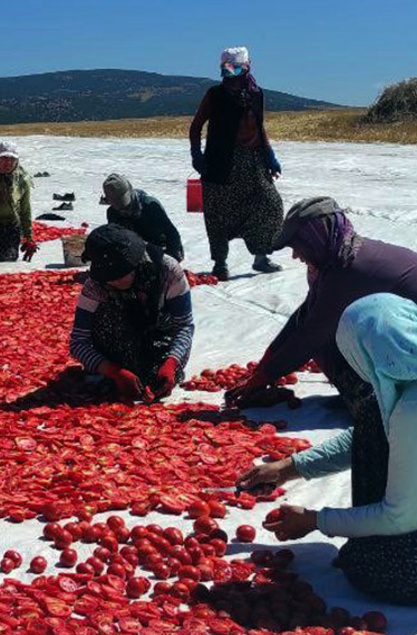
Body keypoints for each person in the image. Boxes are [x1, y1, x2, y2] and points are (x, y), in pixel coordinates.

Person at [240, 294, 417, 610]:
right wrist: (290, 467)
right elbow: (377, 436)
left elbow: (401, 517)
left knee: (371, 567)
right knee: (374, 415)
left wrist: (317, 520)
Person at [227, 197, 417, 507]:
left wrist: (264, 377)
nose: (296, 255)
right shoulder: (339, 257)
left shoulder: (352, 268)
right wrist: (265, 366)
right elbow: (304, 317)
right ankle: (372, 400)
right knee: (334, 338)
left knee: (331, 344)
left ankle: (371, 406)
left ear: (317, 235)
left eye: (298, 245)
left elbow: (312, 333)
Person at [68, 224, 194, 402]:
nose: (115, 280)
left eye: (121, 273)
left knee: (156, 380)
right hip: (115, 345)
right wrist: (114, 372)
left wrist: (171, 363)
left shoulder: (168, 271)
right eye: (109, 277)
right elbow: (78, 342)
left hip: (157, 337)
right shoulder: (95, 285)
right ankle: (118, 372)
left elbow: (184, 326)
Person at [189, 46, 284, 280]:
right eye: (226, 69)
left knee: (270, 204)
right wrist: (196, 154)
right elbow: (196, 126)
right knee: (217, 213)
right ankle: (220, 263)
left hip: (253, 162)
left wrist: (269, 155)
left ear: (247, 68)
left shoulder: (256, 94)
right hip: (221, 164)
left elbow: (259, 125)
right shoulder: (215, 95)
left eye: (235, 68)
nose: (230, 74)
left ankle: (261, 257)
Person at [101, 173, 184, 261]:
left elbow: (172, 234)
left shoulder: (150, 206)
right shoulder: (112, 213)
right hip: (135, 251)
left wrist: (171, 258)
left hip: (160, 248)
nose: (121, 208)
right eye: (115, 203)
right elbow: (116, 241)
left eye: (122, 203)